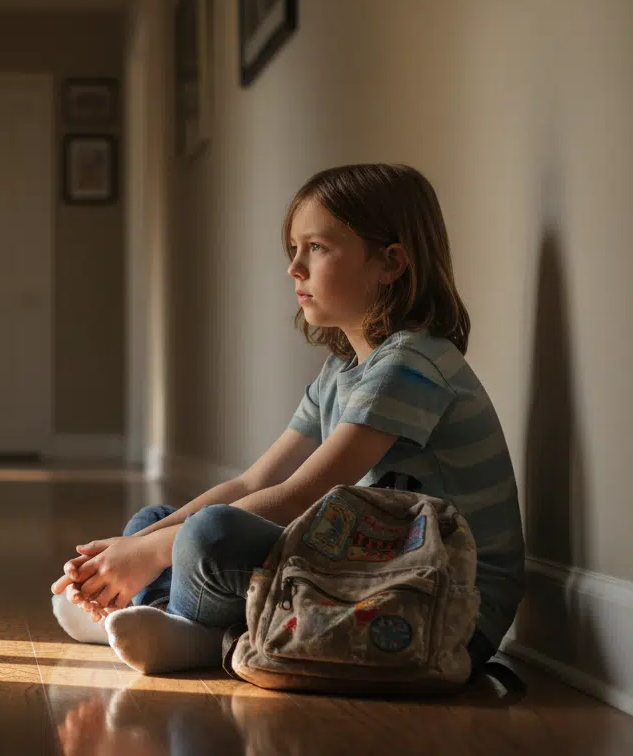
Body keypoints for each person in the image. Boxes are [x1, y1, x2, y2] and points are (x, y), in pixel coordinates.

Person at [50, 163, 526, 676]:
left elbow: (299, 495)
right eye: (293, 250)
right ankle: (165, 619)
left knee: (208, 536)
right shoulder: (343, 369)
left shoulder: (413, 366)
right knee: (155, 521)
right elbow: (256, 480)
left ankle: (196, 634)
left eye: (317, 248)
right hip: (364, 562)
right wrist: (138, 545)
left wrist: (152, 554)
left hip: (444, 601)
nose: (294, 268)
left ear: (390, 263)